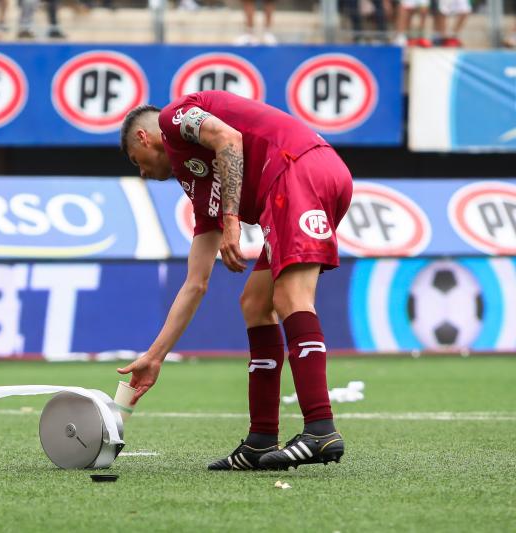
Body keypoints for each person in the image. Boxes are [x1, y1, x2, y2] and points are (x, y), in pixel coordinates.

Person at [117, 91, 352, 471]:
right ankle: (261, 439)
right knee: (255, 305)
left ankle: (320, 429)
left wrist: (231, 222)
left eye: (135, 161)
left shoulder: (172, 119)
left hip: (297, 170)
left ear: (143, 139)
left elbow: (228, 138)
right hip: (314, 174)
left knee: (291, 296)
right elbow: (196, 282)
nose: (142, 172)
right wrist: (155, 356)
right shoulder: (198, 180)